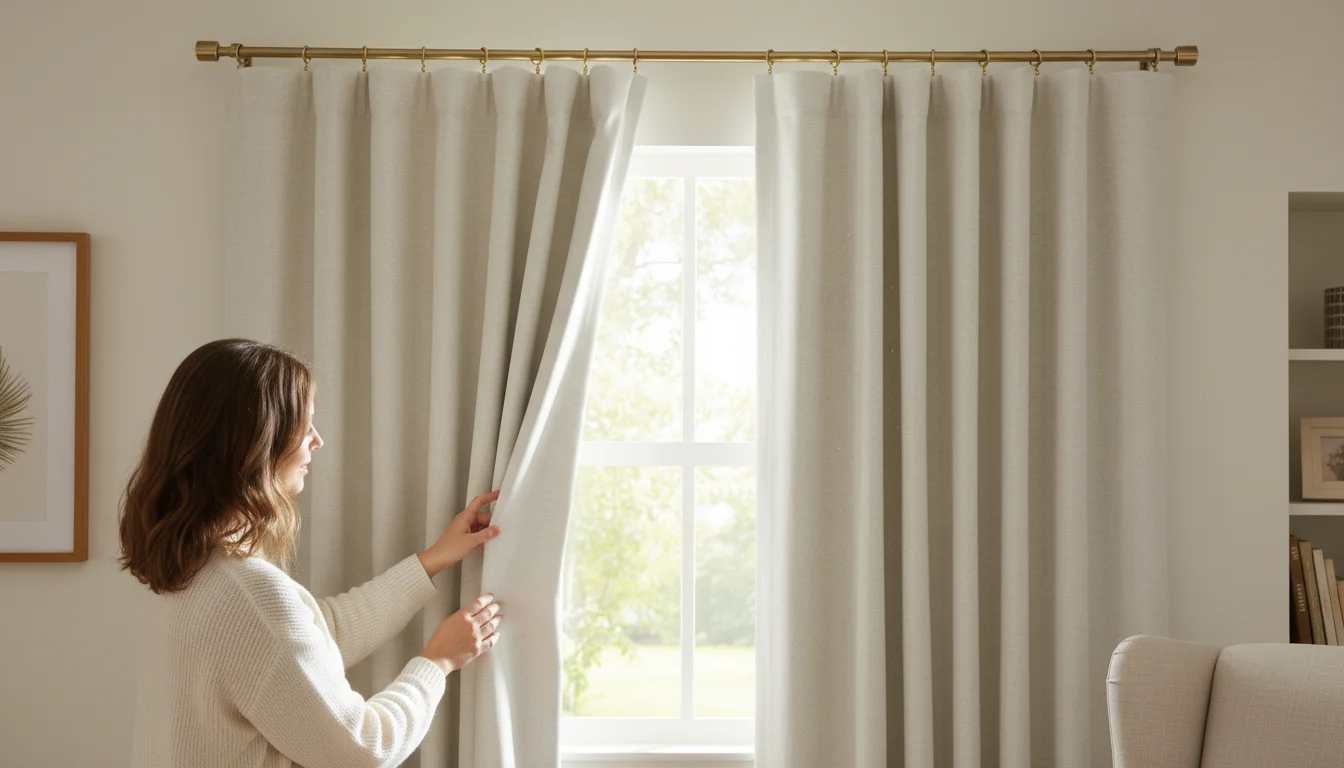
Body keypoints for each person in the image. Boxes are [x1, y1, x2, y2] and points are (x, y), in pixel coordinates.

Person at [120, 338, 502, 767]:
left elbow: (308, 641)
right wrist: (438, 661)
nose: (316, 441)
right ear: (257, 442)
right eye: (305, 425)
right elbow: (364, 751)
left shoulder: (180, 564)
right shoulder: (246, 591)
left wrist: (433, 559)